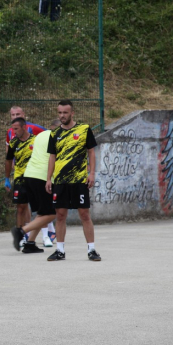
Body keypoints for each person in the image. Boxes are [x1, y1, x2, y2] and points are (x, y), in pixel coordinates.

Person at [45, 99, 100, 261]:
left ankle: (92, 250)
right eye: (60, 113)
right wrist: (49, 178)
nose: (62, 115)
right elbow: (52, 157)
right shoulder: (54, 134)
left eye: (65, 113)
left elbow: (91, 152)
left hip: (79, 181)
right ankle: (60, 251)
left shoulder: (83, 129)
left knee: (84, 214)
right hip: (61, 182)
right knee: (60, 215)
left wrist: (91, 173)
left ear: (72, 113)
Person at [11, 119, 61, 251]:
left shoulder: (41, 135)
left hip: (29, 175)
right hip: (42, 177)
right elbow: (55, 158)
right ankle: (21, 231)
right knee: (52, 213)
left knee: (42, 213)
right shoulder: (58, 137)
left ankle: (30, 244)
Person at [5, 117, 43, 253]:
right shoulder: (13, 143)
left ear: (24, 127)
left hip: (35, 178)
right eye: (12, 129)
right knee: (21, 208)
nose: (13, 132)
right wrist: (6, 178)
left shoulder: (35, 141)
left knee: (40, 211)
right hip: (20, 179)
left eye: (16, 129)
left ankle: (32, 239)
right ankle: (20, 237)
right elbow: (8, 160)